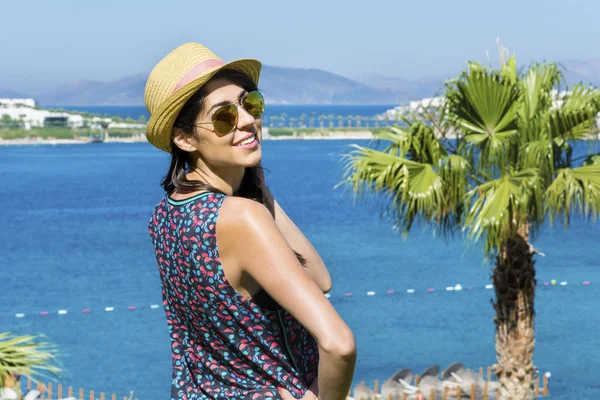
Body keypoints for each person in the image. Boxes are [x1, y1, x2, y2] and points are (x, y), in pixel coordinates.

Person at [146, 43, 356, 400]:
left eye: (251, 103)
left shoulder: (166, 215)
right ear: (184, 138)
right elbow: (339, 344)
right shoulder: (241, 217)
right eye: (224, 116)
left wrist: (258, 188)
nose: (247, 120)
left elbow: (319, 279)